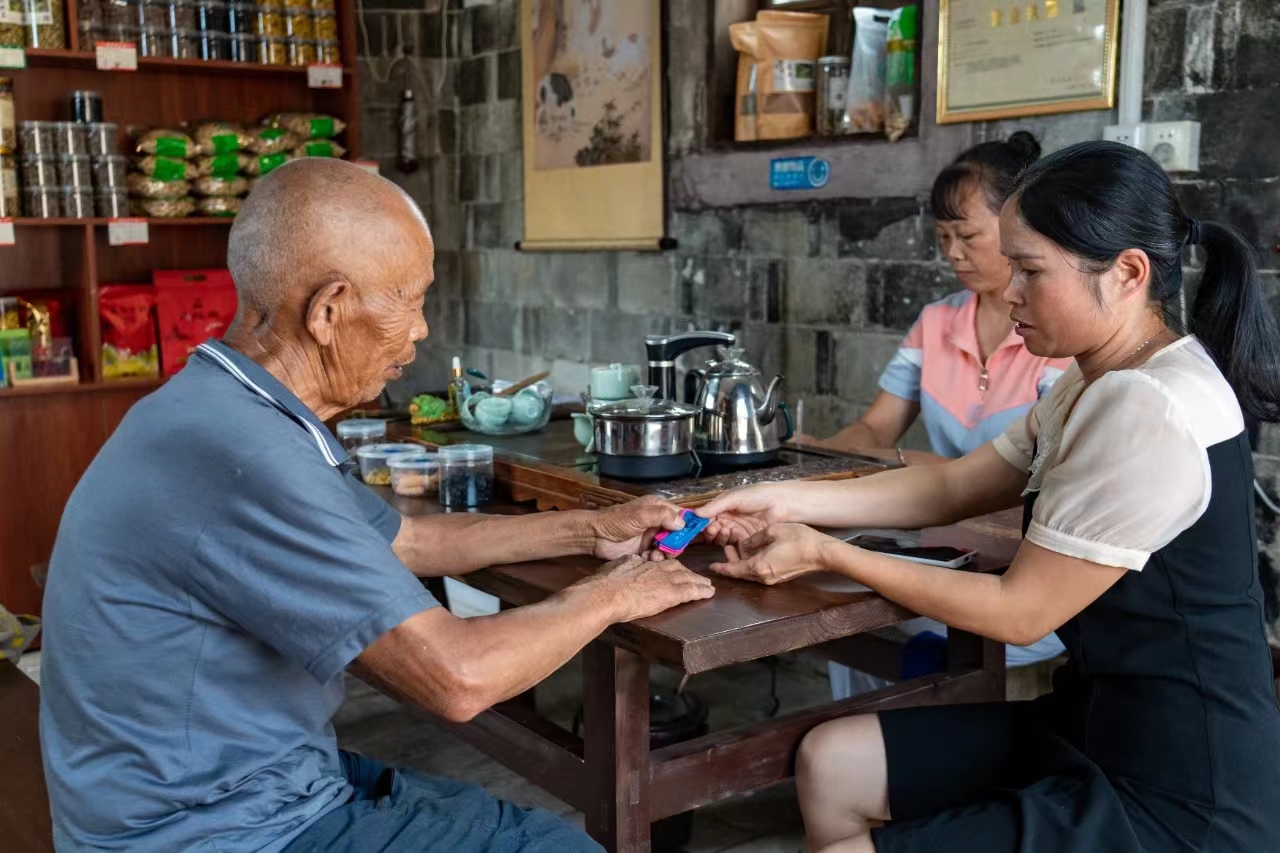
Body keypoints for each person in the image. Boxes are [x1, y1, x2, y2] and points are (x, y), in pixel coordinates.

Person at [39, 159, 714, 853]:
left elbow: (406, 543)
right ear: (327, 311)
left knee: (494, 817)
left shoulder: (224, 406)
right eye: (409, 300)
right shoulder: (247, 453)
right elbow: (458, 678)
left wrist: (591, 528)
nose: (420, 330)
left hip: (238, 783)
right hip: (207, 830)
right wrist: (612, 594)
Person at [696, 141, 1280, 852]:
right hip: (1094, 724)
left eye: (1030, 270)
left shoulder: (1149, 404)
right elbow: (953, 484)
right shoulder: (1096, 377)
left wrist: (828, 553)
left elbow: (1020, 611)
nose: (1009, 292)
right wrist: (784, 500)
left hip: (1180, 792)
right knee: (831, 761)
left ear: (1127, 273)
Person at [819, 133, 1072, 693]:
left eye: (968, 236)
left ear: (1017, 227)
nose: (953, 252)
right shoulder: (937, 322)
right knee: (837, 607)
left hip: (1025, 570)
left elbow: (1034, 478)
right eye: (942, 238)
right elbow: (875, 427)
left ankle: (891, 739)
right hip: (943, 543)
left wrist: (908, 462)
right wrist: (815, 465)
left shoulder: (1058, 333)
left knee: (878, 614)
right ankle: (862, 740)